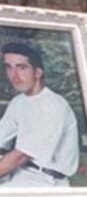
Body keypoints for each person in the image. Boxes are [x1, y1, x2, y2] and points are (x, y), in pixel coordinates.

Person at [0, 41, 79, 187]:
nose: (14, 75)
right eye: (9, 67)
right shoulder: (19, 101)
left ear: (38, 72)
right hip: (21, 173)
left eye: (21, 67)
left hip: (46, 180)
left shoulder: (53, 106)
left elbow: (20, 156)